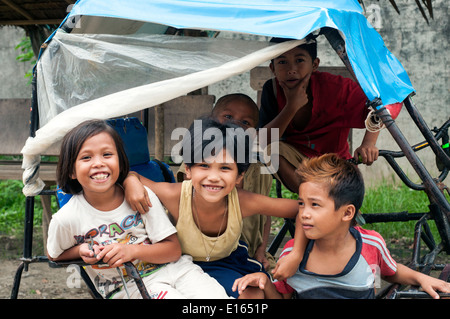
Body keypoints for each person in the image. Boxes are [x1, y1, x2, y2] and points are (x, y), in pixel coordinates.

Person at [123, 117, 306, 298]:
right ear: (188, 169)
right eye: (204, 165)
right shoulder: (175, 195)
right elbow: (128, 175)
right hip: (179, 267)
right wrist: (131, 179)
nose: (213, 177)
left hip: (226, 264)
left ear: (239, 176)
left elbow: (304, 209)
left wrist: (295, 253)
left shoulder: (242, 201)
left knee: (253, 295)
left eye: (225, 168)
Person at [46, 119, 229, 299]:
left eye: (107, 154)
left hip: (178, 270)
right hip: (128, 287)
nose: (98, 163)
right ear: (71, 170)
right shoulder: (67, 218)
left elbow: (172, 250)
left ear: (120, 161)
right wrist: (79, 250)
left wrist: (131, 251)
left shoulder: (140, 196)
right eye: (86, 157)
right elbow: (54, 254)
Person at [232, 154, 450, 299]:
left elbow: (390, 270)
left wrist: (422, 278)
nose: (303, 213)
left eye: (315, 205)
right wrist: (265, 283)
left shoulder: (371, 244)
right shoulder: (291, 255)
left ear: (347, 213)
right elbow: (282, 296)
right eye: (301, 203)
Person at [259, 35, 400, 193]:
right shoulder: (271, 90)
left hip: (333, 164)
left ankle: (320, 202)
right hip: (296, 162)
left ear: (314, 64)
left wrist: (368, 142)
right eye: (282, 62)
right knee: (268, 151)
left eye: (299, 60)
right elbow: (263, 141)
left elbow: (384, 101)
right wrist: (291, 107)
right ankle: (315, 198)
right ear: (272, 68)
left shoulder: (335, 88)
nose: (291, 69)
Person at [176, 93, 274, 271]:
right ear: (212, 121)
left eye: (245, 122)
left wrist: (261, 250)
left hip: (249, 254)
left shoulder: (262, 170)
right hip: (200, 256)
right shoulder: (196, 163)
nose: (235, 124)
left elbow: (265, 216)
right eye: (228, 117)